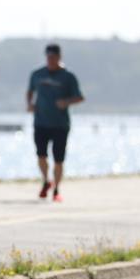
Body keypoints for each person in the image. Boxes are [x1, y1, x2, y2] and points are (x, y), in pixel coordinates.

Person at [26, 43, 84, 202]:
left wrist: (66, 102)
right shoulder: (37, 74)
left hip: (60, 125)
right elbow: (30, 91)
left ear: (59, 57)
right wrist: (30, 104)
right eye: (48, 57)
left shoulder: (68, 76)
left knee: (58, 159)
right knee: (41, 156)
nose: (50, 60)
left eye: (53, 57)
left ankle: (57, 189)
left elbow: (80, 97)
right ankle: (46, 181)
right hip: (41, 123)